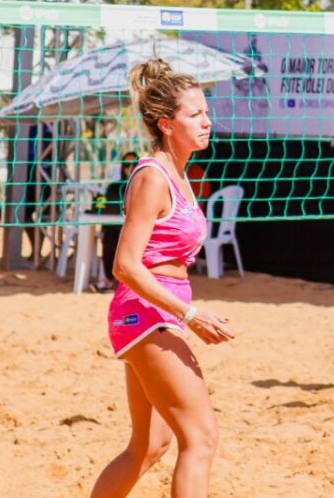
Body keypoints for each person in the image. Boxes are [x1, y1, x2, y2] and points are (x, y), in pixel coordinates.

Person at [91, 58, 235, 497]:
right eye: (196, 115)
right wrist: (189, 313)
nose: (207, 121)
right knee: (201, 437)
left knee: (150, 445)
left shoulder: (180, 174)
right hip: (146, 313)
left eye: (207, 111)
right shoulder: (153, 177)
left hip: (155, 313)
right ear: (166, 124)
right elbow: (125, 265)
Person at [96, 152, 141, 291]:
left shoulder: (143, 185)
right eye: (126, 165)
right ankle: (109, 279)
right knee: (110, 236)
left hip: (137, 229)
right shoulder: (114, 187)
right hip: (115, 227)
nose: (130, 168)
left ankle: (124, 281)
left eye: (134, 165)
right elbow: (105, 208)